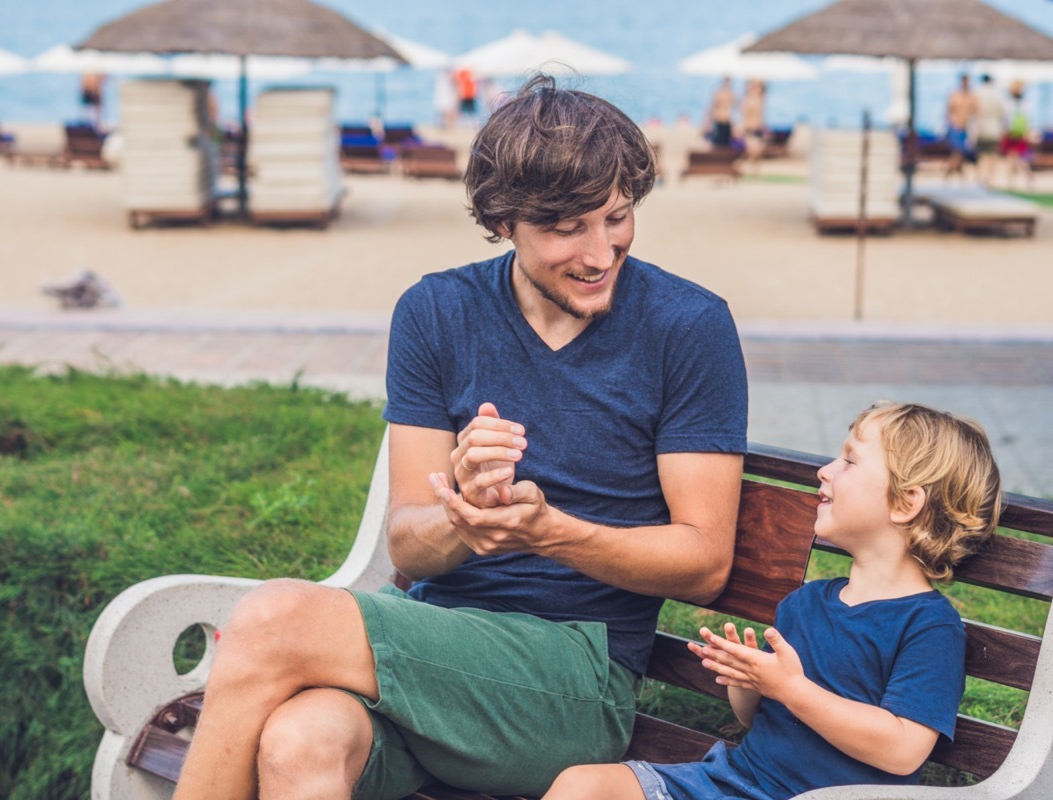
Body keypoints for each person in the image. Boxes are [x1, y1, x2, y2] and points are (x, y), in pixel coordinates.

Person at [172, 74, 749, 800]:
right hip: (432, 645)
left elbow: (703, 562)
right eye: (566, 229)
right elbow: (411, 549)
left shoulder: (687, 327)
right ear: (504, 221)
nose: (600, 253)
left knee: (274, 620)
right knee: (301, 740)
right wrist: (464, 515)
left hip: (571, 680)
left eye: (617, 217)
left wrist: (549, 532)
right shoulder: (436, 313)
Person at [543, 401, 1003, 800]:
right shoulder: (806, 602)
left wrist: (791, 689)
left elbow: (902, 751)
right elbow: (751, 720)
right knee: (581, 786)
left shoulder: (928, 626)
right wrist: (749, 681)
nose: (825, 470)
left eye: (849, 462)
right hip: (730, 782)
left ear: (905, 503)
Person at [1000, 79, 1034, 191]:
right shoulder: (1024, 103)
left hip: (1011, 132)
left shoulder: (1008, 102)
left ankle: (1011, 182)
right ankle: (1025, 178)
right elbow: (1027, 119)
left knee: (1012, 158)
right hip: (1019, 132)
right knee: (1020, 158)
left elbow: (1005, 117)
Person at [973, 74, 1006, 187]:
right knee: (992, 155)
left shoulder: (978, 93)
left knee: (982, 155)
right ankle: (990, 178)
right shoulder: (997, 94)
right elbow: (1002, 113)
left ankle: (981, 177)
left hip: (981, 128)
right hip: (994, 128)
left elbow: (975, 113)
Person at [944, 73, 978, 179]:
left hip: (966, 127)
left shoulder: (971, 96)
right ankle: (954, 171)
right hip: (956, 127)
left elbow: (976, 112)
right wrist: (954, 123)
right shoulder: (955, 96)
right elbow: (948, 112)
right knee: (957, 151)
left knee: (962, 151)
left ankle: (955, 171)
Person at [739, 79, 767, 172]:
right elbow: (744, 116)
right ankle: (751, 169)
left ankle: (755, 170)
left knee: (757, 152)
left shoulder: (760, 99)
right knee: (752, 150)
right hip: (749, 129)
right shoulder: (747, 100)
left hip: (757, 129)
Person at [707, 76, 736, 148]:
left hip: (727, 119)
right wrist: (709, 120)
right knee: (718, 140)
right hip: (719, 119)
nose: (727, 83)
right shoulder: (718, 93)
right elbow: (713, 106)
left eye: (728, 81)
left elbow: (736, 106)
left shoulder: (731, 93)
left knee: (726, 141)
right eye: (726, 81)